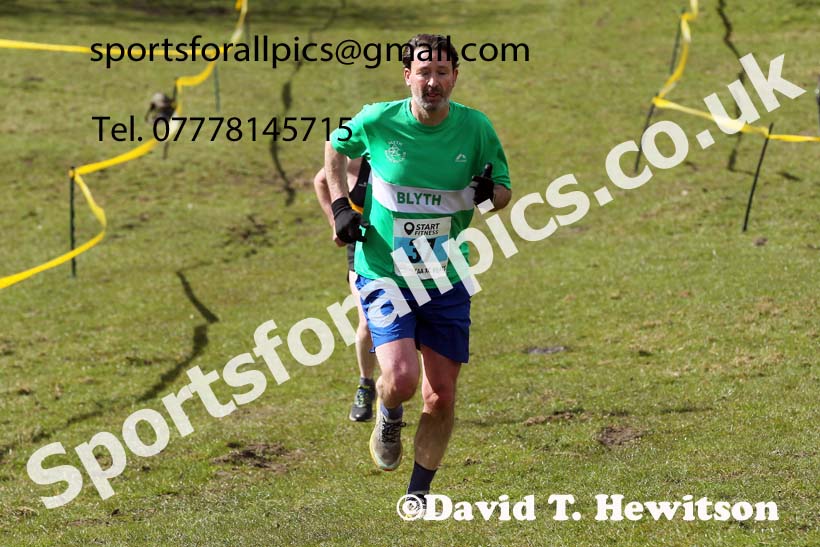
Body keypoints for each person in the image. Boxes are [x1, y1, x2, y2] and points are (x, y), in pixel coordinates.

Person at [323, 33, 512, 506]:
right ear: (407, 75)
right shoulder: (379, 119)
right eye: (423, 73)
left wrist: (491, 194)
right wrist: (340, 208)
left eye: (442, 73)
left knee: (440, 397)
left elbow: (505, 191)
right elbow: (333, 149)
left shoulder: (476, 128)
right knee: (403, 381)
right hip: (384, 272)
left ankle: (419, 494)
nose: (432, 82)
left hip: (445, 278)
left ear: (454, 77)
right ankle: (388, 414)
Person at [313, 157, 378, 422]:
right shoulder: (361, 157)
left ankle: (392, 392)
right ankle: (366, 385)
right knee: (368, 322)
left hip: (406, 248)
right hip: (362, 247)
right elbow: (321, 179)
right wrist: (335, 220)